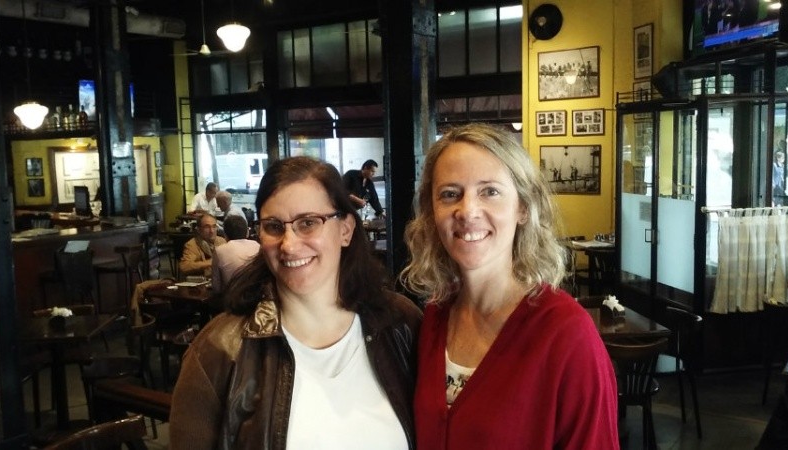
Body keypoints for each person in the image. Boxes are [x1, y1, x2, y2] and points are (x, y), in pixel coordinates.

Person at [169, 156, 422, 449]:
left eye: (308, 223)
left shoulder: (401, 323)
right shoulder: (219, 349)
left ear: (345, 230)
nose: (288, 245)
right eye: (274, 226)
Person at [400, 123, 618, 449]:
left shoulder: (566, 333)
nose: (467, 210)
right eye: (450, 194)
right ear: (432, 213)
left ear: (523, 208)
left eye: (489, 191)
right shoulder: (434, 318)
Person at [211, 215, 259, 293]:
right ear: (247, 232)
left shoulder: (220, 251)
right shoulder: (257, 245)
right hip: (257, 296)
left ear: (225, 234)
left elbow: (216, 287)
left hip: (232, 297)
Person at [179, 213, 226, 278]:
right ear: (199, 229)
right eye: (207, 227)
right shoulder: (192, 244)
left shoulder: (221, 241)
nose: (211, 231)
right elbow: (184, 267)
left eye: (214, 226)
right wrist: (209, 262)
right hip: (202, 281)